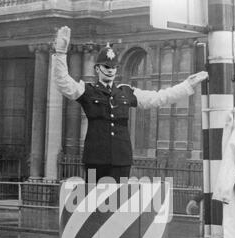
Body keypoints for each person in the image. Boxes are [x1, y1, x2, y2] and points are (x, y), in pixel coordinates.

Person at [54, 26, 208, 183]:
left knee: (118, 202)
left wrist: (187, 85)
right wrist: (60, 53)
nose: (110, 70)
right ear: (97, 69)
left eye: (114, 67)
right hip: (95, 159)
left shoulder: (126, 92)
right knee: (95, 201)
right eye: (106, 67)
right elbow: (63, 83)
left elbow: (159, 98)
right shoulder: (88, 90)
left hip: (121, 160)